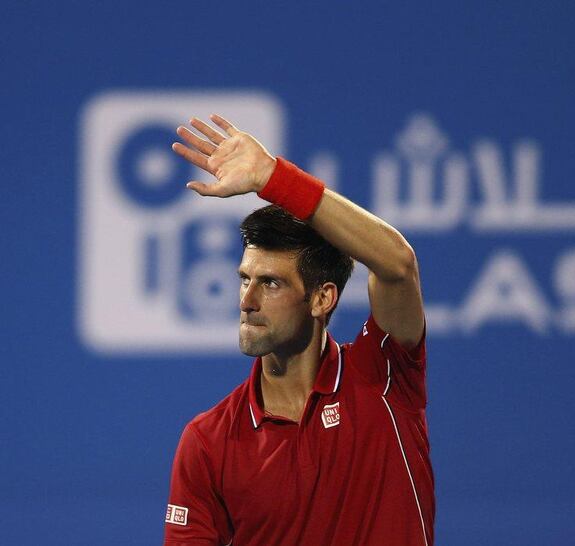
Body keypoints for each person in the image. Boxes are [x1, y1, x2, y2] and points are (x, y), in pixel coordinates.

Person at [163, 115, 433, 546]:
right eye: (244, 279)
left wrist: (274, 177)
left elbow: (398, 265)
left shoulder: (382, 374)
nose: (246, 300)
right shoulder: (208, 441)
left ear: (323, 298)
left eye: (270, 283)